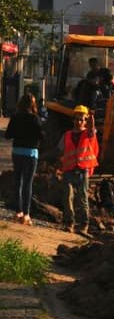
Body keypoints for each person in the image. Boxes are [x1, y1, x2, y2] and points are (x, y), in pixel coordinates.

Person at [57, 104, 100, 234]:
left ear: (85, 121)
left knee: (82, 197)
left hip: (83, 169)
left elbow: (92, 128)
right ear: (73, 120)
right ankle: (69, 222)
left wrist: (91, 116)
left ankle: (84, 224)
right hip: (69, 169)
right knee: (68, 196)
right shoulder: (67, 135)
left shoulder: (88, 133)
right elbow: (59, 150)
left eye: (81, 119)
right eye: (77, 119)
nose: (79, 121)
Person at [5, 92, 45, 224]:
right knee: (27, 183)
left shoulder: (15, 117)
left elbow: (8, 135)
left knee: (18, 181)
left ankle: (18, 211)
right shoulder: (35, 118)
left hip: (17, 152)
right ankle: (26, 214)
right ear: (33, 104)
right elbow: (42, 135)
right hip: (31, 153)